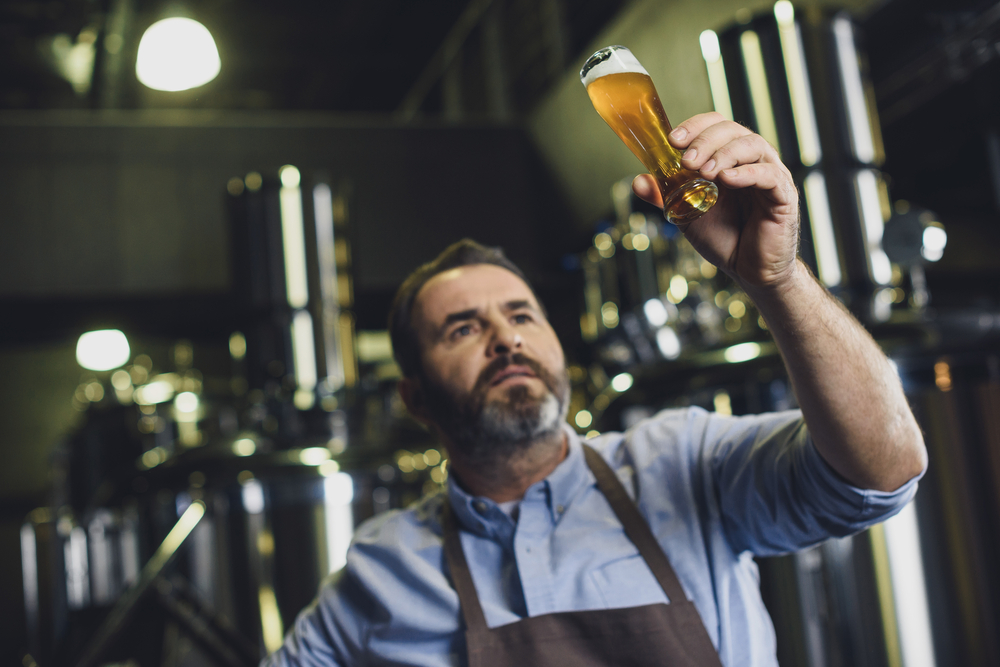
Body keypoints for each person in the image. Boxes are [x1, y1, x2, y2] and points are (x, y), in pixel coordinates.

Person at [262, 112, 927, 667]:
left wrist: (776, 280)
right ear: (416, 399)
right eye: (463, 328)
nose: (506, 339)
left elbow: (882, 471)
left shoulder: (681, 462)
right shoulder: (385, 567)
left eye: (522, 315)